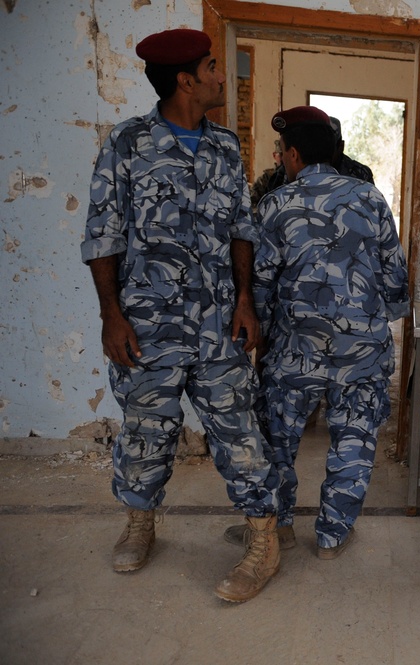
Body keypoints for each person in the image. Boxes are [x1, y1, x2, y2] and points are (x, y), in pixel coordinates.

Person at [80, 28, 282, 603]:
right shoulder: (127, 144)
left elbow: (242, 228)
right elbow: (102, 235)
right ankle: (140, 522)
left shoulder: (224, 147)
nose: (224, 76)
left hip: (219, 324)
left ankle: (263, 542)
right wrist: (110, 316)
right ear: (186, 81)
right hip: (149, 325)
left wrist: (245, 301)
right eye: (214, 67)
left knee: (240, 431)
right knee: (146, 433)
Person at [222, 106, 409, 559]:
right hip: (361, 351)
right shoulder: (370, 198)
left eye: (282, 151)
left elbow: (259, 285)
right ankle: (332, 535)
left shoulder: (275, 204)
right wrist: (365, 320)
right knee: (354, 440)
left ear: (294, 155)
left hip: (294, 351)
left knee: (279, 440)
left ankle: (279, 527)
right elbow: (397, 284)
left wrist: (261, 336)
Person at [249, 115, 374, 209]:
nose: (321, 150)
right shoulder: (282, 175)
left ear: (340, 146)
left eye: (328, 146)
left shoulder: (360, 176)